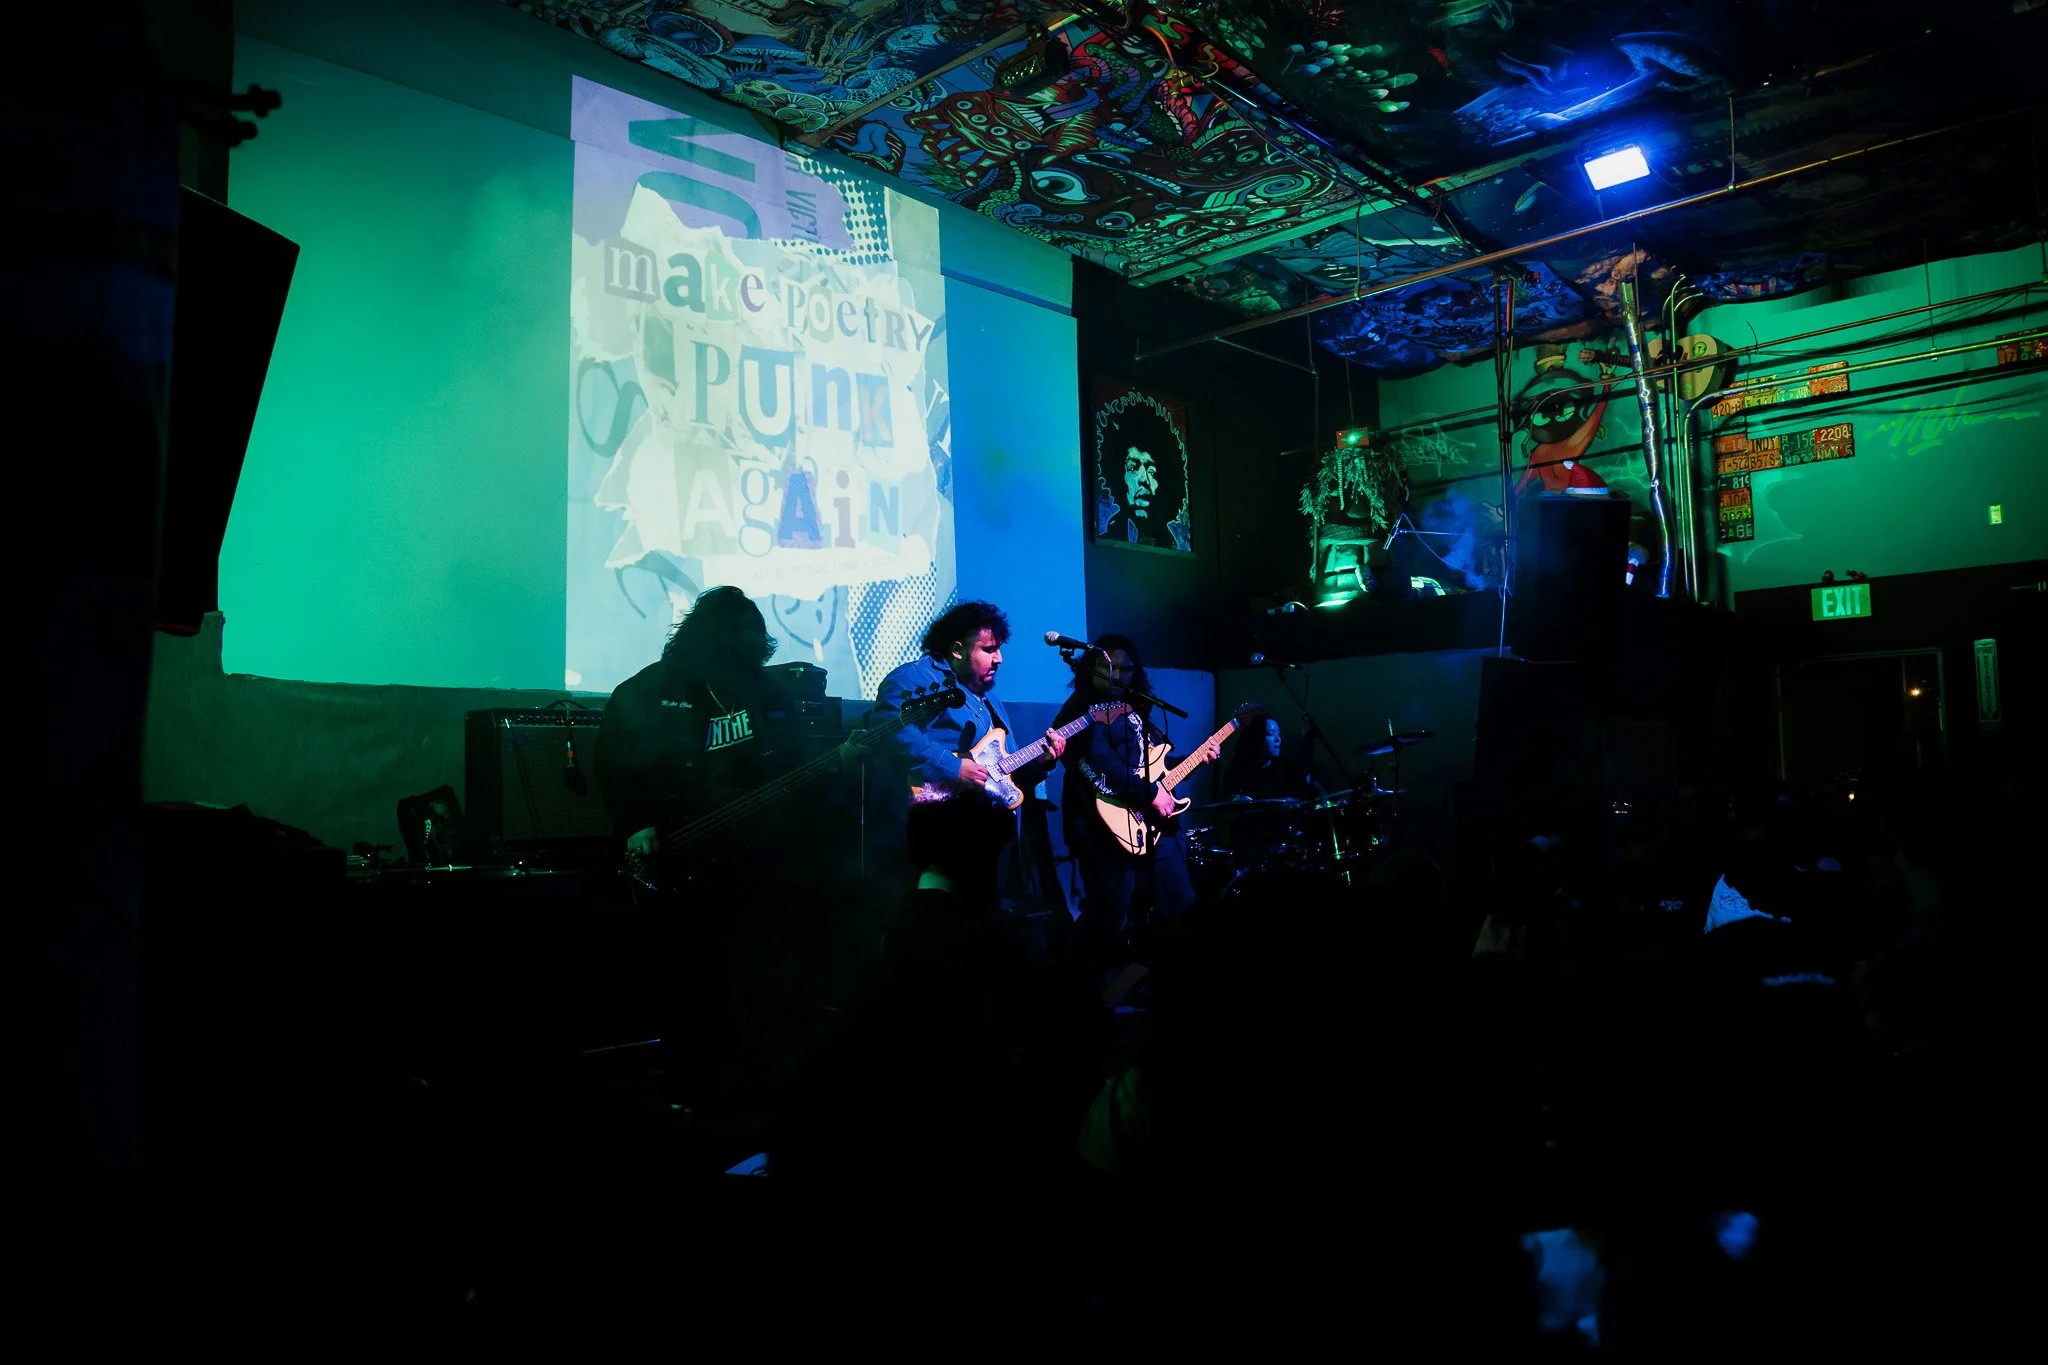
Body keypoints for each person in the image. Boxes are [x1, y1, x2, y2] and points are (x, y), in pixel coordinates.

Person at [596, 585, 794, 1110]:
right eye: (747, 632)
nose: (758, 643)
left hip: (753, 859)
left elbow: (786, 759)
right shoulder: (651, 689)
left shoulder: (762, 691)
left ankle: (749, 1091)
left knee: (755, 976)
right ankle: (690, 1096)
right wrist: (638, 821)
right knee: (693, 980)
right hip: (684, 862)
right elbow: (616, 761)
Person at [869, 600, 1068, 891]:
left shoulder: (991, 700)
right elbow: (889, 730)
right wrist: (952, 767)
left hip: (988, 836)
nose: (999, 659)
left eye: (999, 649)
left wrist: (1043, 762)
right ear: (957, 649)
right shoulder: (916, 677)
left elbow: (1004, 774)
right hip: (939, 832)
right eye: (988, 650)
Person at [1054, 634, 1220, 975]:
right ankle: (1088, 995)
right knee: (1108, 915)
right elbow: (1099, 763)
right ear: (1092, 668)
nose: (1117, 675)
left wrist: (1195, 759)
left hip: (1149, 825)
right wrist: (1149, 793)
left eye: (1125, 669)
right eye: (1107, 667)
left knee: (1180, 905)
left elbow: (1159, 765)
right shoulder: (1081, 709)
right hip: (1101, 828)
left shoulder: (1134, 707)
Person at [1095, 402, 1189, 550]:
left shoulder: (1174, 546)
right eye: (1132, 468)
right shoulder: (1107, 543)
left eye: (1151, 471)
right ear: (1118, 477)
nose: (1143, 479)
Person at [1222, 715, 1319, 803]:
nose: (1278, 739)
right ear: (1256, 737)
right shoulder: (1238, 770)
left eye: (1278, 733)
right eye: (1270, 734)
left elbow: (1310, 792)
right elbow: (1231, 803)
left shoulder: (1287, 766)